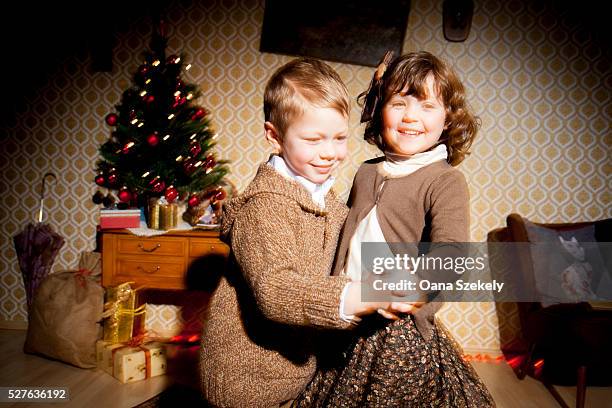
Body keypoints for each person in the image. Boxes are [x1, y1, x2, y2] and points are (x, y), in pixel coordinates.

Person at [199, 58, 418, 408]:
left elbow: (347, 253)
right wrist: (364, 294)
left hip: (296, 369)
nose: (330, 153)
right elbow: (277, 290)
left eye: (339, 138)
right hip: (246, 380)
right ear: (274, 136)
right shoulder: (263, 207)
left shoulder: (326, 202)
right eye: (314, 140)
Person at [293, 51, 496, 407]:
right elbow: (344, 235)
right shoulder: (367, 172)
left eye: (427, 106)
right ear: (379, 110)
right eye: (399, 103)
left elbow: (451, 252)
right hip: (349, 312)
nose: (411, 117)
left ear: (448, 119)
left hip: (396, 330)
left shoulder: (445, 180)